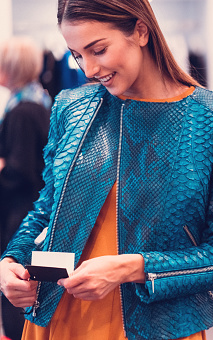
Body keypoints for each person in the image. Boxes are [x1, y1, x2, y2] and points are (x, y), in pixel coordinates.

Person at [0, 0, 213, 339]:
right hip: (59, 319)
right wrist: (11, 262)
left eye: (98, 49)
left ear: (140, 30)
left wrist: (129, 268)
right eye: (78, 55)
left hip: (159, 326)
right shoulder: (70, 108)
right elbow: (46, 212)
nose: (88, 69)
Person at [0, 36, 52, 340]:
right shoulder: (38, 102)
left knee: (14, 286)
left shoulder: (21, 112)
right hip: (29, 206)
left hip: (20, 212)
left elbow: (19, 170)